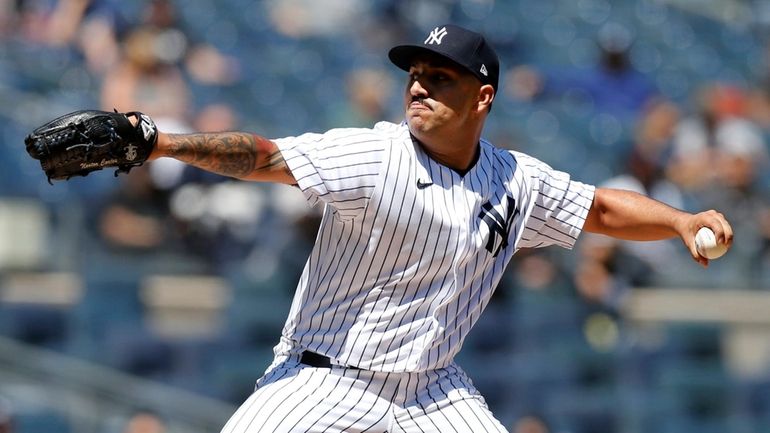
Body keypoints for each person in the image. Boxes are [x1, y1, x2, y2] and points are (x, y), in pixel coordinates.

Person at [136, 24, 731, 432]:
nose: (419, 85)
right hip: (324, 380)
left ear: (484, 97)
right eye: (415, 73)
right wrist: (158, 142)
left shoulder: (515, 179)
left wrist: (680, 221)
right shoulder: (375, 154)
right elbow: (264, 157)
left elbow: (598, 210)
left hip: (432, 394)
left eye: (440, 77)